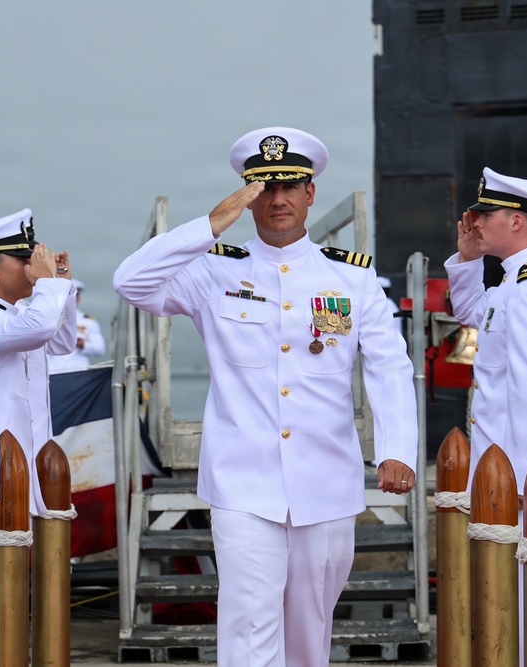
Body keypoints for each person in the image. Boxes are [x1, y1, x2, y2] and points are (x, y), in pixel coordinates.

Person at [113, 127, 417, 667]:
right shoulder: (213, 270)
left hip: (326, 478)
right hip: (242, 480)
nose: (278, 200)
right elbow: (131, 282)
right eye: (264, 188)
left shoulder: (350, 278)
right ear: (248, 194)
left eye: (290, 187)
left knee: (309, 625)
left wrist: (397, 449)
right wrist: (210, 224)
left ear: (310, 194)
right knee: (249, 621)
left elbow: (390, 364)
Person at [444, 168, 527, 489]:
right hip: (500, 463)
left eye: (486, 214)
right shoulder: (513, 279)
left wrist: (526, 474)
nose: (477, 222)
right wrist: (469, 259)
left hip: (517, 471)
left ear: (516, 222)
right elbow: (472, 312)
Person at [0, 210, 76, 515]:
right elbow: (39, 328)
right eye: (23, 260)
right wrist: (47, 285)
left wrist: (60, 287)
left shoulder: (21, 314)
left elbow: (61, 342)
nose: (32, 267)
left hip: (28, 460)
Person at [48, 278, 107, 373]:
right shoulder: (49, 318)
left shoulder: (88, 321)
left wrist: (83, 344)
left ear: (78, 298)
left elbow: (100, 349)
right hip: (54, 371)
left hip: (79, 371)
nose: (69, 298)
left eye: (73, 295)